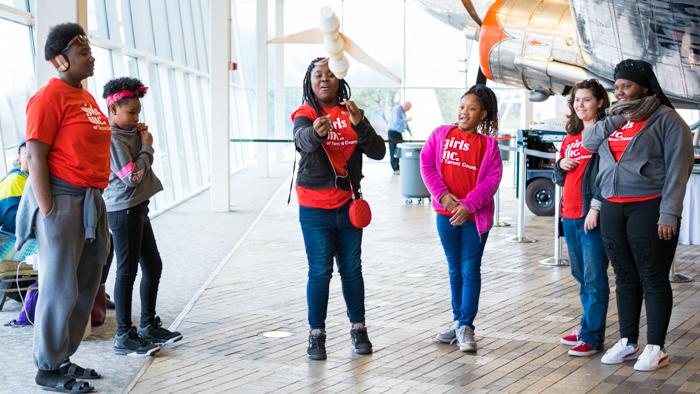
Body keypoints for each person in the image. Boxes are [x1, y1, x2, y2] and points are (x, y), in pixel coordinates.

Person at [16, 23, 112, 393]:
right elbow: (36, 158)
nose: (91, 58)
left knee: (88, 283)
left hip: (91, 201)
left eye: (89, 51)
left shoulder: (84, 98)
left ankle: (63, 357)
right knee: (59, 288)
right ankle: (48, 367)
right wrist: (50, 210)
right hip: (63, 201)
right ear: (60, 61)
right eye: (83, 53)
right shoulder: (48, 97)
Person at [582, 59, 694, 371]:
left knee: (653, 277)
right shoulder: (615, 118)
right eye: (616, 88)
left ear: (644, 86)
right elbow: (589, 142)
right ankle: (628, 341)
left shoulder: (667, 120)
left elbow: (678, 170)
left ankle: (656, 346)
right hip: (613, 206)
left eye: (626, 87)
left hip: (650, 206)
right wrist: (612, 121)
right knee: (624, 276)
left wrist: (669, 213)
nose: (620, 93)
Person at [291, 57, 386, 360]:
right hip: (315, 208)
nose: (324, 79)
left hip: (347, 205)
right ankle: (315, 335)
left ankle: (359, 328)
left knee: (352, 269)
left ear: (339, 80)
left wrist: (360, 122)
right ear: (310, 80)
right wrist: (316, 133)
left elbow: (378, 151)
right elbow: (301, 140)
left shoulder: (351, 113)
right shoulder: (305, 113)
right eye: (318, 74)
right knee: (319, 271)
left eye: (330, 75)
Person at [102, 77, 182, 356]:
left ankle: (148, 325)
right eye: (131, 112)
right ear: (113, 110)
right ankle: (124, 335)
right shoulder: (112, 138)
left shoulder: (129, 133)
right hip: (123, 209)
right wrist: (147, 146)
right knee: (127, 271)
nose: (136, 117)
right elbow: (132, 178)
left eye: (138, 112)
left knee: (153, 265)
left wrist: (140, 139)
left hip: (137, 207)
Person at [420, 85, 502, 352]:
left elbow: (491, 181)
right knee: (454, 268)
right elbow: (427, 165)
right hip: (445, 216)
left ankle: (467, 325)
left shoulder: (488, 146)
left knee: (470, 268)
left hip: (472, 219)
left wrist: (468, 206)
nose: (464, 112)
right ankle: (457, 322)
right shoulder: (441, 134)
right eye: (462, 106)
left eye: (472, 108)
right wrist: (443, 196)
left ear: (483, 115)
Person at [553, 80, 610, 357]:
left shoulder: (605, 134)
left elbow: (608, 175)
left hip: (592, 217)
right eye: (577, 100)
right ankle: (587, 325)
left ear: (600, 102)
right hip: (569, 214)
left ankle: (592, 336)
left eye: (586, 100)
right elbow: (559, 176)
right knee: (580, 275)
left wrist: (596, 208)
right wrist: (559, 165)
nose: (580, 105)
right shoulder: (571, 136)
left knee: (594, 277)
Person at [0, 140, 28, 234]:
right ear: (19, 158)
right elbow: (14, 223)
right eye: (26, 152)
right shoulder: (15, 180)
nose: (32, 155)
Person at [387, 101, 412, 174]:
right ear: (405, 105)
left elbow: (405, 124)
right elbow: (396, 121)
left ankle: (399, 167)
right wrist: (407, 120)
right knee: (394, 150)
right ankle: (395, 169)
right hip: (393, 133)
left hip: (398, 133)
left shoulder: (403, 112)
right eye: (408, 108)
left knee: (399, 150)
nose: (408, 110)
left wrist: (410, 131)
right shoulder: (397, 109)